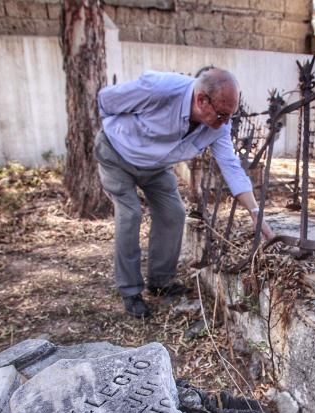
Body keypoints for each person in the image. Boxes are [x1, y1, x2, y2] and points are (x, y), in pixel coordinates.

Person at [95, 68, 274, 318]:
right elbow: (106, 100)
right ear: (201, 100)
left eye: (229, 116)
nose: (225, 123)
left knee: (173, 214)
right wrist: (117, 130)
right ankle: (130, 291)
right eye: (222, 115)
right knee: (131, 215)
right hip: (116, 154)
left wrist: (255, 212)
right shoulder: (160, 89)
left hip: (156, 166)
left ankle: (160, 282)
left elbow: (231, 166)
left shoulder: (219, 125)